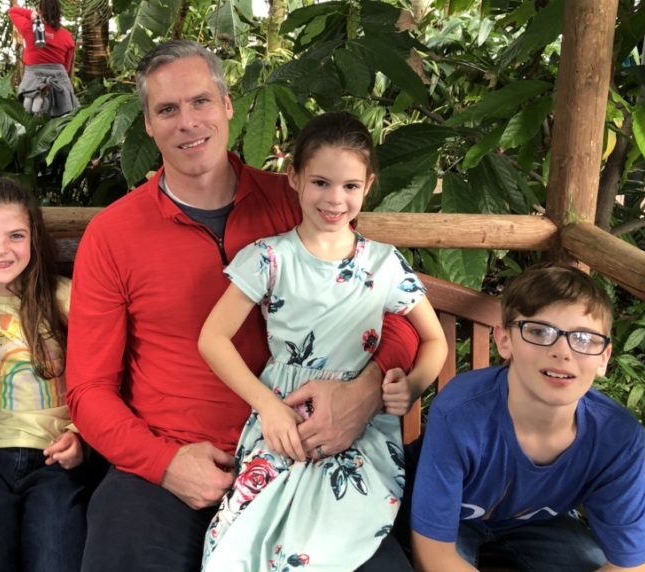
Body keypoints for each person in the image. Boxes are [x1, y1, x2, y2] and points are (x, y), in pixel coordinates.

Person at [66, 40, 421, 571]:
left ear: (228, 105)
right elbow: (88, 391)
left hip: (309, 458)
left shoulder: (298, 199)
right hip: (176, 462)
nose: (188, 122)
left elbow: (390, 310)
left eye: (201, 101)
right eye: (167, 109)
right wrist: (164, 464)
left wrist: (365, 393)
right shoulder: (114, 234)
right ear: (148, 123)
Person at [198, 111, 447, 570]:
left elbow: (434, 340)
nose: (335, 199)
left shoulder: (384, 264)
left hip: (360, 427)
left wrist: (411, 387)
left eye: (350, 186)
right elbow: (213, 338)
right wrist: (267, 406)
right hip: (282, 416)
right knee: (243, 544)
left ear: (368, 185)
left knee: (329, 540)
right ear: (293, 178)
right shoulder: (270, 257)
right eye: (321, 183)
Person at [408, 264, 645, 571]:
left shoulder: (618, 438)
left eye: (585, 338)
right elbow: (435, 556)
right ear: (504, 340)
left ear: (604, 357)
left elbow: (628, 565)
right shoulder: (460, 413)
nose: (563, 352)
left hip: (540, 526)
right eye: (539, 331)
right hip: (447, 519)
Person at [0, 173, 87, 572]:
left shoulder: (63, 297)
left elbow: (99, 375)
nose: (0, 250)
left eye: (15, 236)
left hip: (54, 459)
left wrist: (82, 436)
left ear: (34, 239)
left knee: (56, 555)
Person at [8, 0, 79, 116]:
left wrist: (30, 14)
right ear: (59, 13)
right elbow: (66, 67)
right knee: (65, 116)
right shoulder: (67, 36)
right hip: (59, 79)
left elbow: (12, 11)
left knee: (30, 112)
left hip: (33, 78)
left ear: (39, 11)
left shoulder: (30, 27)